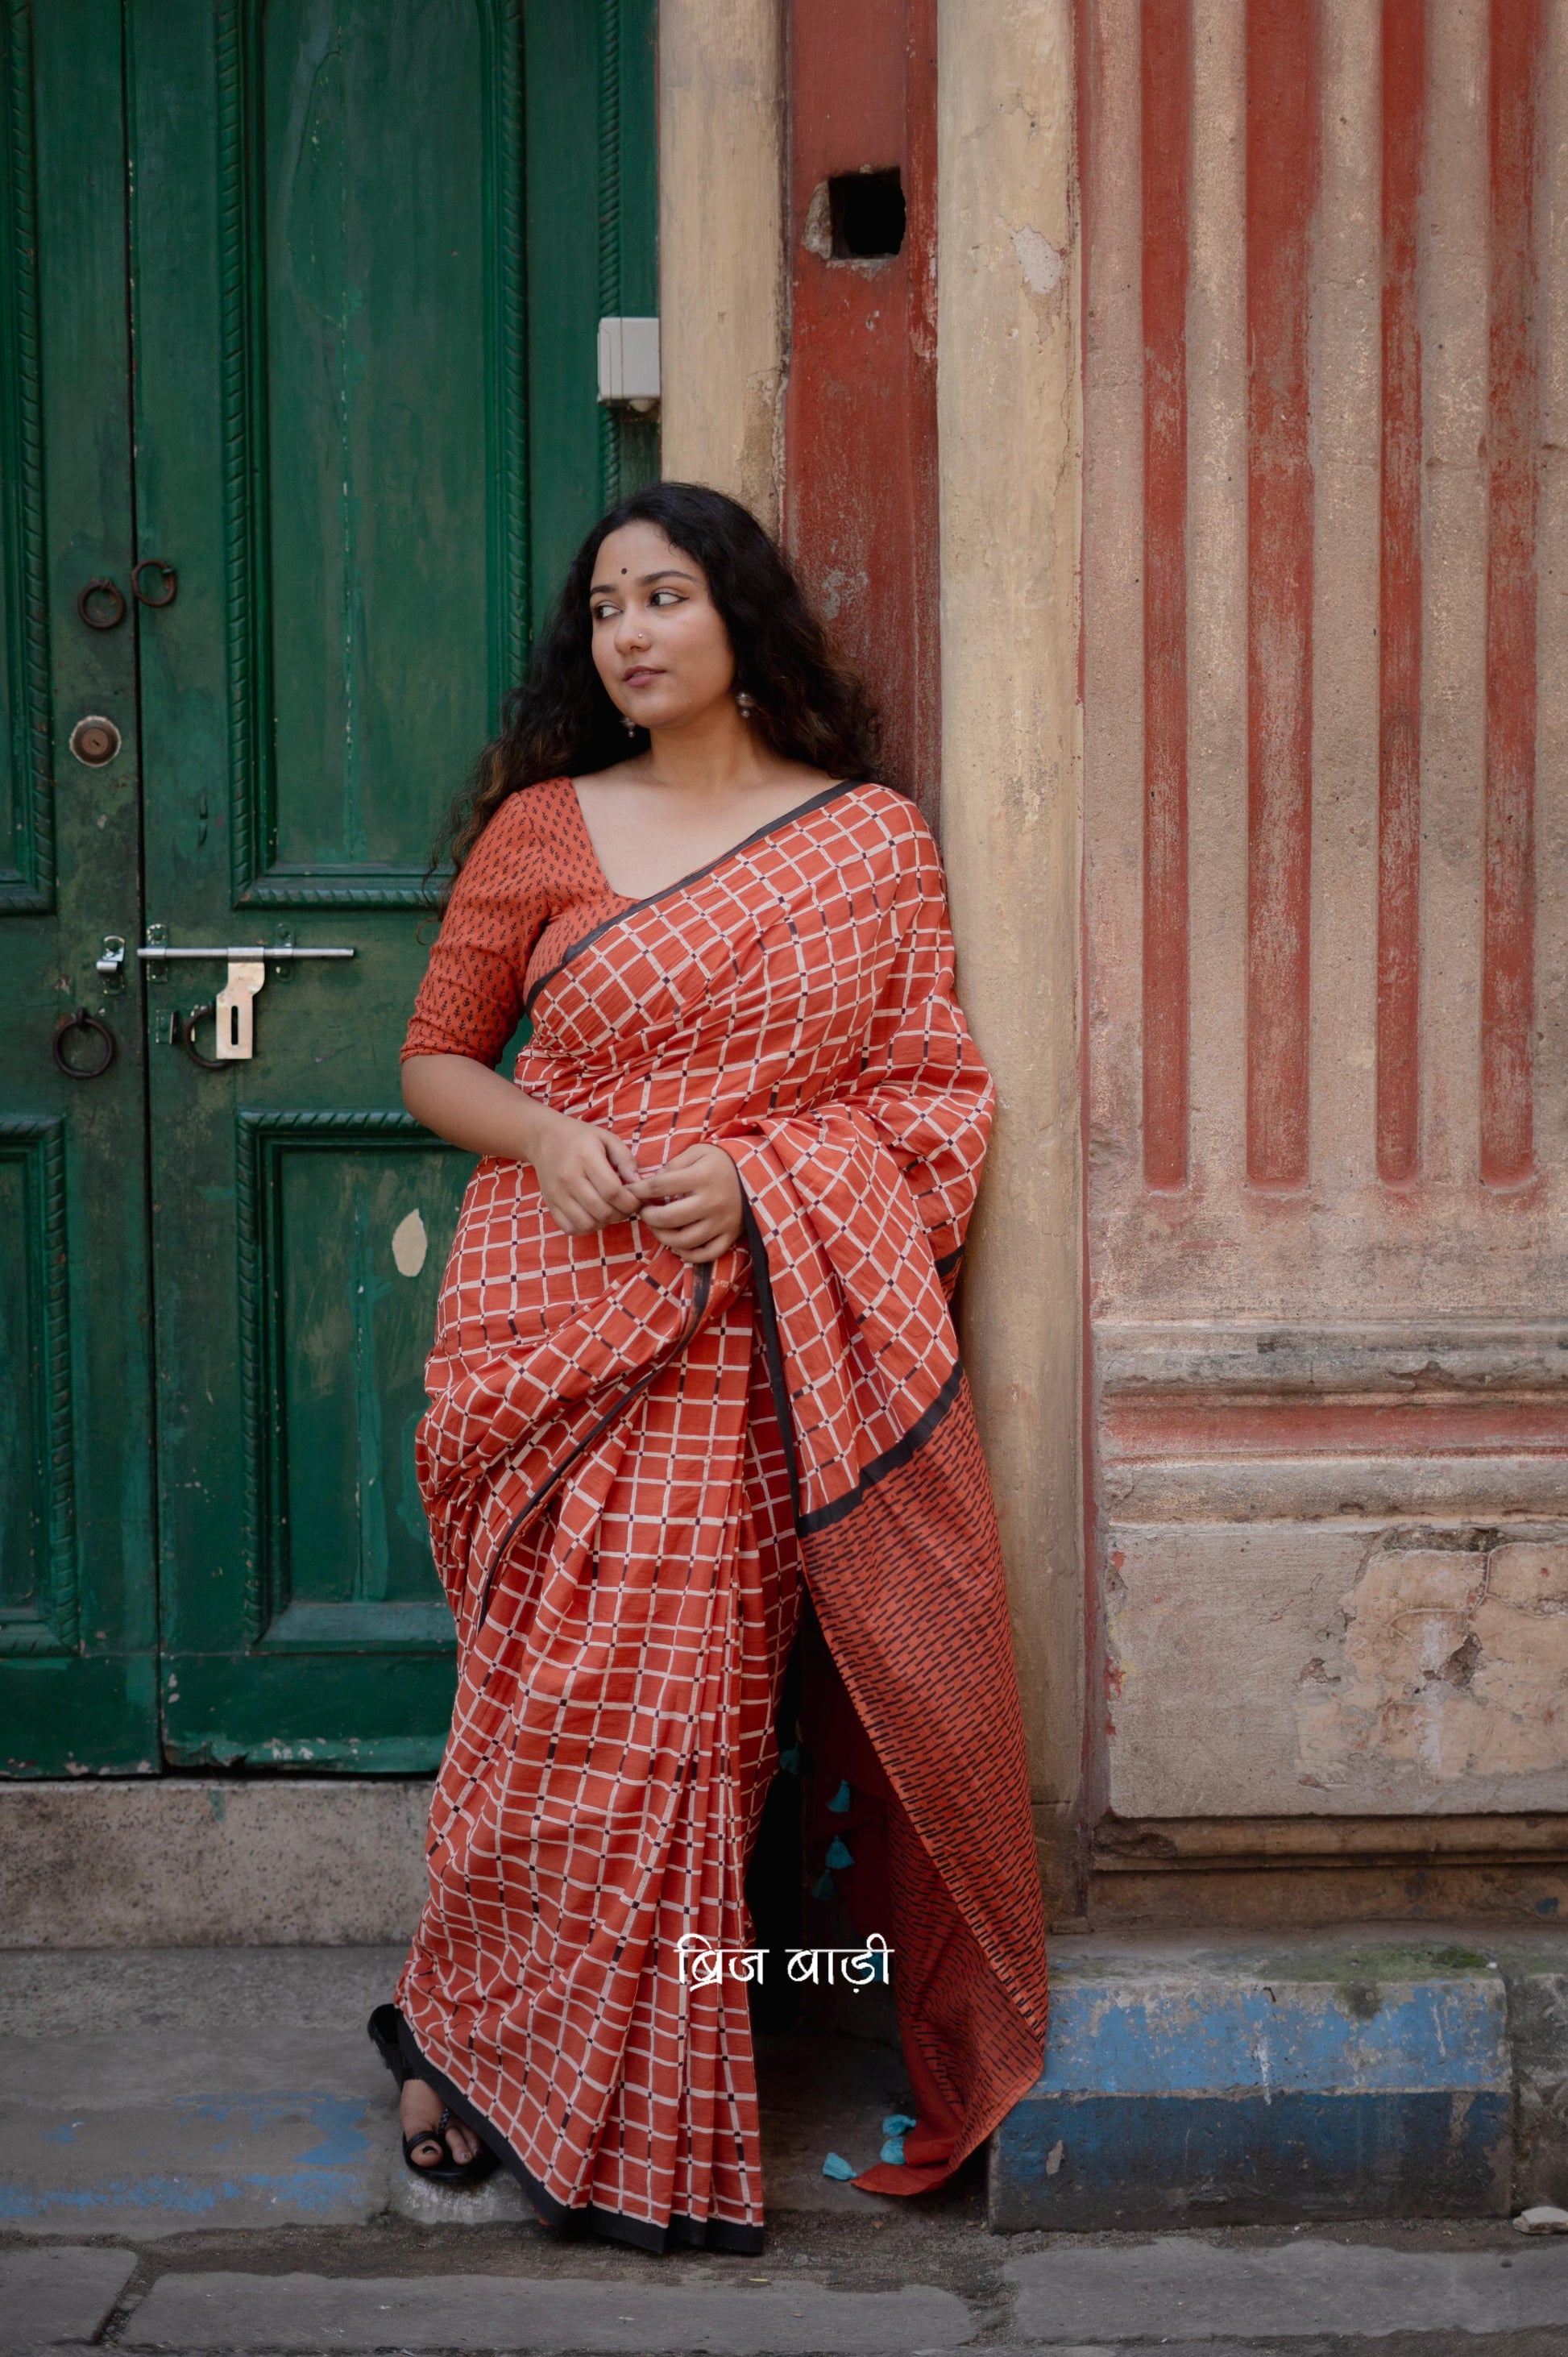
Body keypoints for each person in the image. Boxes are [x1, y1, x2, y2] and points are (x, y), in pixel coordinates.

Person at [370, 481, 1047, 2252]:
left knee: (683, 1732)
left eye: (667, 595)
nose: (633, 633)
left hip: (751, 1338)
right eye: (605, 609)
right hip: (551, 1317)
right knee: (533, 1720)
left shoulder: (868, 842)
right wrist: (542, 1138)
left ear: (742, 616)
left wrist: (760, 1173)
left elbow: (927, 1098)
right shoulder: (540, 827)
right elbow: (436, 1060)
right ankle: (459, 2029)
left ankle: (623, 2087)